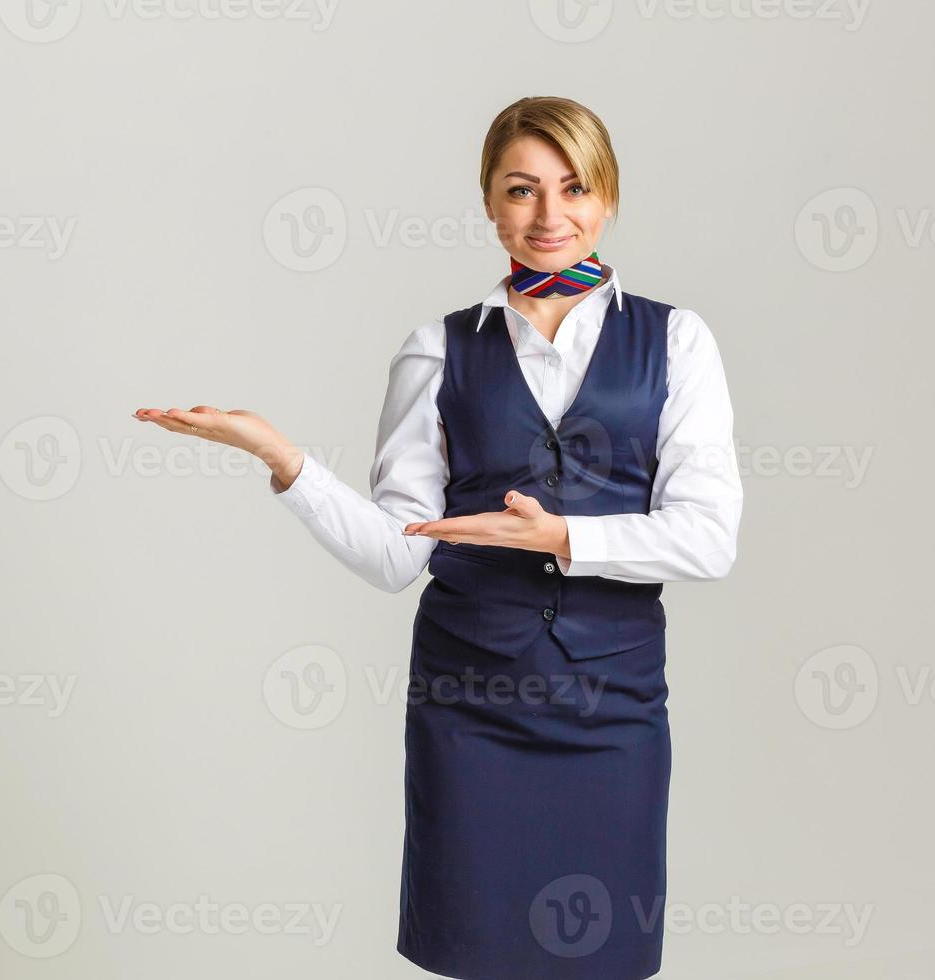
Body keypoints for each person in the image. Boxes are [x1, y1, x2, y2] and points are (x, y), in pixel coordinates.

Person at [135, 95, 742, 980]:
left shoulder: (677, 342)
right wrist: (282, 458)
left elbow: (711, 538)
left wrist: (559, 536)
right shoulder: (438, 350)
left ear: (607, 197)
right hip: (471, 709)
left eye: (574, 188)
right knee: (477, 953)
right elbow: (395, 555)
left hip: (611, 711)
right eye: (522, 190)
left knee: (603, 958)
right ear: (490, 204)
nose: (549, 215)